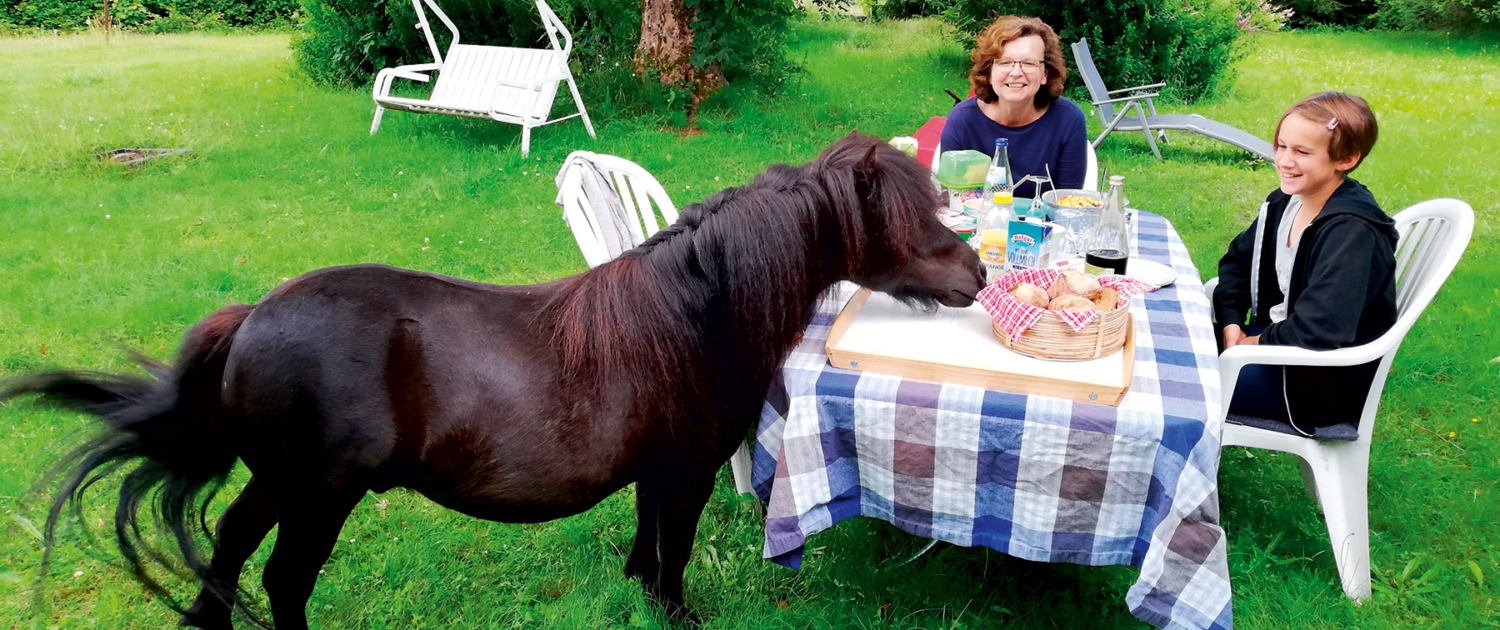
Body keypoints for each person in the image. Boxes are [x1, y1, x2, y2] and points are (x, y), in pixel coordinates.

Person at [1213, 91, 1395, 435]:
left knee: (1175, 378)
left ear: (1347, 159)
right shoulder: (1286, 202)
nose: (1284, 160)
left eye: (1302, 152)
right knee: (1160, 345)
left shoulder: (1351, 231)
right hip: (1270, 347)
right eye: (1281, 146)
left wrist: (1251, 346)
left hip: (1312, 381)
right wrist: (1231, 323)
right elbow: (1236, 262)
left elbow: (1322, 327)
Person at [939, 15, 1089, 199]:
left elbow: (1068, 205)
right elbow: (953, 204)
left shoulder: (1068, 120)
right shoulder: (963, 121)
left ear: (1045, 74)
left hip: (1046, 227)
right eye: (1005, 62)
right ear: (989, 71)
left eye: (1029, 63)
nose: (1016, 73)